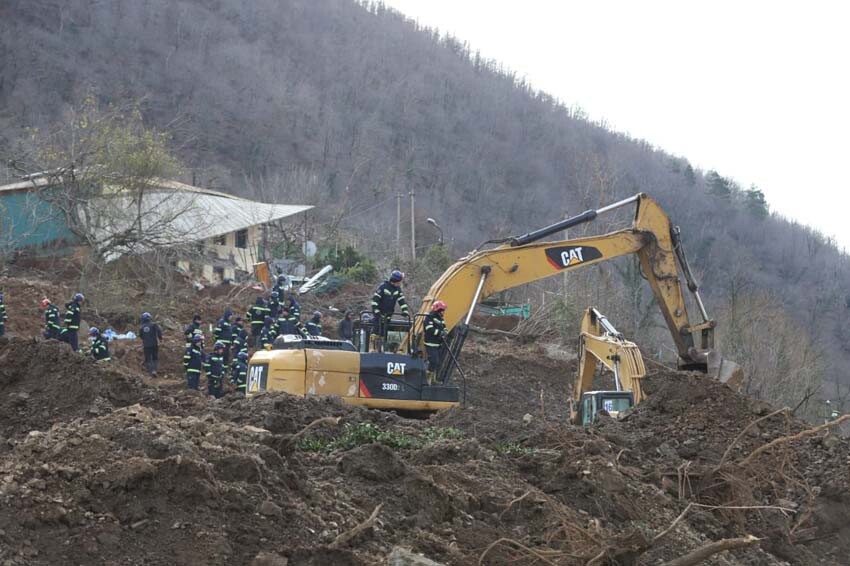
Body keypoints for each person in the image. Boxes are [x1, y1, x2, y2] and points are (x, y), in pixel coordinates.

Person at [371, 270, 409, 339]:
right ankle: (372, 346)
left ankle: (382, 347)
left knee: (384, 334)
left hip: (388, 315)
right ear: (395, 280)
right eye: (399, 281)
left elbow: (401, 301)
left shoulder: (398, 289)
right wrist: (376, 311)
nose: (399, 283)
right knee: (375, 332)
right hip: (378, 314)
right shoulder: (383, 287)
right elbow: (375, 300)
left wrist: (405, 310)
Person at [423, 301, 448, 383]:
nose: (443, 312)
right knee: (434, 361)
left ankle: (433, 379)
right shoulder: (429, 317)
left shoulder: (441, 319)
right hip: (430, 344)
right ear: (437, 310)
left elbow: (444, 328)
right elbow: (429, 329)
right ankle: (427, 378)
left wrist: (445, 332)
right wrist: (440, 333)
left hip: (438, 344)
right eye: (442, 310)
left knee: (437, 362)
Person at [139, 312, 163, 376]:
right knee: (155, 358)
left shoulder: (141, 327)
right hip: (154, 344)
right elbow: (159, 331)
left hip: (146, 345)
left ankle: (150, 372)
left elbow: (141, 336)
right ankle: (154, 370)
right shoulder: (154, 325)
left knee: (148, 359)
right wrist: (160, 338)